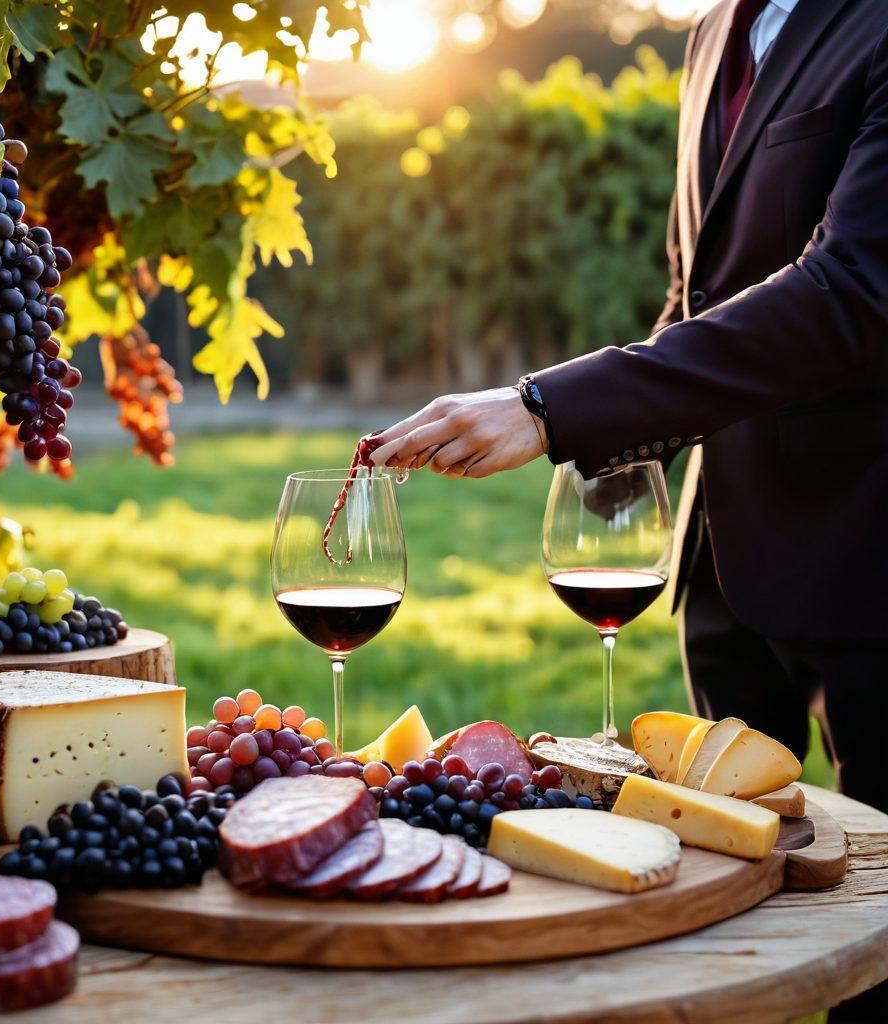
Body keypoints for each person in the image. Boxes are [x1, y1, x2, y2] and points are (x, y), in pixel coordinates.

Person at [370, 2, 888, 1017]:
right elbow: (700, 297)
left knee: (879, 924)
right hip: (723, 563)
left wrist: (548, 406)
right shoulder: (712, 33)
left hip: (868, 548)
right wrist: (590, 434)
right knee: (735, 919)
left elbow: (851, 292)